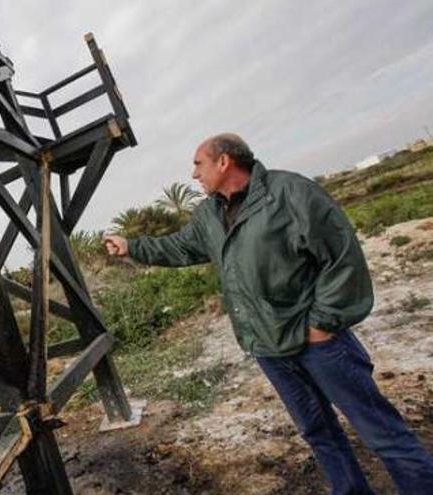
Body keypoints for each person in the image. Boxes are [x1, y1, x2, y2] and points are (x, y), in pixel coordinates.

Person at [103, 134, 433, 494]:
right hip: (268, 348)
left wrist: (322, 324)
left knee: (381, 432)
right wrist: (132, 246)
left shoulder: (292, 194)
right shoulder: (208, 215)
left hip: (319, 345)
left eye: (199, 164)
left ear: (224, 162)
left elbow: (342, 259)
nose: (194, 174)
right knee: (318, 433)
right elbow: (179, 247)